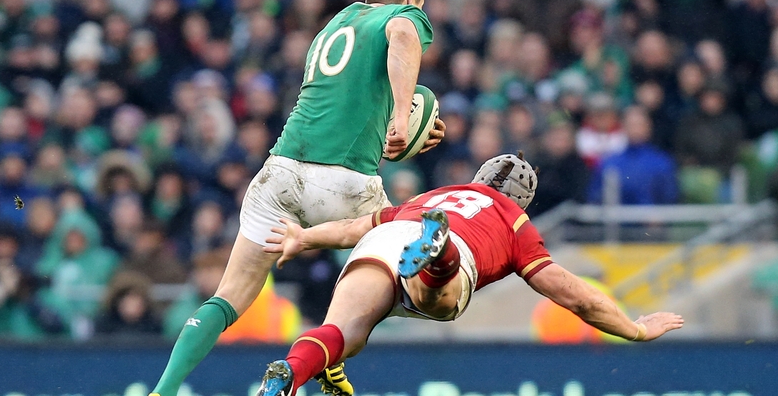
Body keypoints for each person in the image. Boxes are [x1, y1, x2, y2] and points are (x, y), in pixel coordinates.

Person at [149, 0, 445, 396]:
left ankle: (163, 390)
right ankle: (327, 356)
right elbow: (402, 36)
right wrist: (405, 118)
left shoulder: (336, 24)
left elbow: (354, 95)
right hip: (345, 183)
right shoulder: (405, 17)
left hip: (280, 171)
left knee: (228, 297)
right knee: (408, 277)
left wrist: (405, 117)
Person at [255, 153, 684, 396]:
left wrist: (303, 238)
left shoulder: (435, 193)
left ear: (478, 178)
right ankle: (439, 256)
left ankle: (290, 375)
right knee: (438, 300)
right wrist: (633, 329)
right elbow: (575, 296)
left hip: (388, 235)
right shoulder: (515, 222)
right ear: (524, 201)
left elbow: (354, 228)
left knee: (342, 331)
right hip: (453, 252)